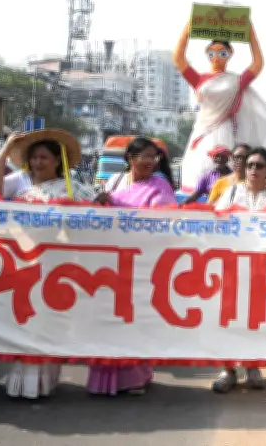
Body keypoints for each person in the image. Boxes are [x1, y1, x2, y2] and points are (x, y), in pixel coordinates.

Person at [0, 129, 97, 399]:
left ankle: (42, 381)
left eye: (44, 157)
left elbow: (97, 217)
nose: (37, 162)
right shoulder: (21, 184)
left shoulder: (73, 187)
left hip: (57, 265)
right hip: (22, 262)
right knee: (25, 319)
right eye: (33, 158)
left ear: (57, 161)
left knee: (46, 322)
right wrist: (7, 147)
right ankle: (23, 382)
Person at [88, 137, 177, 396]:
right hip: (110, 262)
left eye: (154, 157)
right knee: (108, 321)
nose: (150, 161)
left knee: (133, 320)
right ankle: (104, 380)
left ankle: (135, 378)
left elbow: (166, 223)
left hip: (141, 263)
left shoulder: (160, 185)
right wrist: (100, 203)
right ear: (130, 158)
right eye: (145, 156)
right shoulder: (114, 182)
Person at [173, 20, 266, 193]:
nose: (217, 57)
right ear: (207, 54)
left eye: (222, 53)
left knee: (226, 170)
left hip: (224, 131)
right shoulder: (199, 80)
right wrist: (187, 29)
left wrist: (251, 34)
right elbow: (178, 59)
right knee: (197, 171)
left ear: (230, 54)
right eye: (212, 53)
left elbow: (257, 64)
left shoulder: (235, 81)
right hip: (202, 132)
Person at [212, 147, 266, 393]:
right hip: (231, 267)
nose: (253, 169)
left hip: (261, 270)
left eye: (259, 166)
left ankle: (253, 366)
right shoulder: (232, 192)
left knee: (256, 320)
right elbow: (214, 223)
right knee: (228, 319)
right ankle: (228, 370)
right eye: (250, 164)